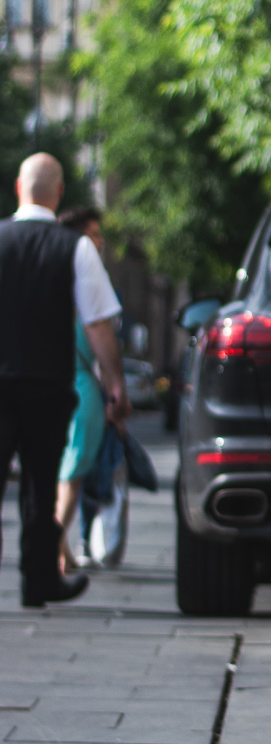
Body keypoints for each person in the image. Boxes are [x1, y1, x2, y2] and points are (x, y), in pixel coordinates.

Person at [0, 154, 130, 606]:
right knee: (41, 486)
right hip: (47, 386)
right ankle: (39, 583)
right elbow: (98, 324)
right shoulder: (74, 248)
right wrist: (116, 385)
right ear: (58, 194)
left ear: (19, 187)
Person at [55, 206, 110, 573]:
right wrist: (116, 384)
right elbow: (101, 334)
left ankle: (59, 546)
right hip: (79, 385)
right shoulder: (84, 275)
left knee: (63, 472)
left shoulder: (53, 275)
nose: (99, 241)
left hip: (52, 384)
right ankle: (54, 543)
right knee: (71, 473)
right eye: (92, 233)